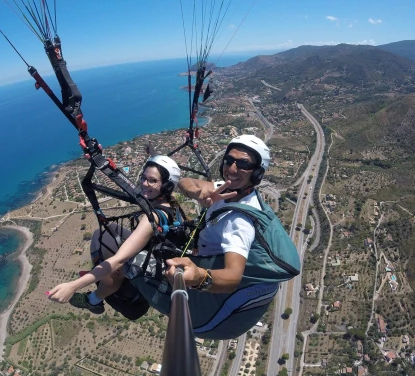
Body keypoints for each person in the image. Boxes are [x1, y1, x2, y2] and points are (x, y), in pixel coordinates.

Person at [128, 135, 294, 339]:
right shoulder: (226, 190)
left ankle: (129, 302)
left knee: (126, 257)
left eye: (243, 164)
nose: (232, 169)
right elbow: (185, 182)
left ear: (257, 174)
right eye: (229, 160)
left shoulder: (239, 222)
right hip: (204, 254)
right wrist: (197, 192)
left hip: (210, 317)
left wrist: (199, 277)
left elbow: (233, 276)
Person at [47, 155, 183, 319]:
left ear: (166, 186)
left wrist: (72, 286)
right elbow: (133, 186)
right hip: (157, 252)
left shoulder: (153, 217)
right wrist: (152, 153)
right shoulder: (170, 202)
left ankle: (94, 300)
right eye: (143, 178)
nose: (145, 183)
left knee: (114, 268)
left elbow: (118, 260)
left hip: (153, 270)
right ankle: (99, 273)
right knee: (106, 231)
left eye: (152, 180)